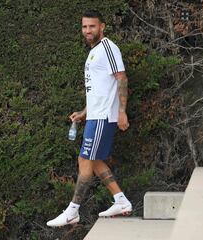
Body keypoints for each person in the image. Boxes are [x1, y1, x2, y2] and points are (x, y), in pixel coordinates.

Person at [46, 10, 132, 227]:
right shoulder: (94, 52)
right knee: (93, 160)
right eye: (84, 27)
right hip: (95, 116)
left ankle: (73, 211)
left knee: (85, 159)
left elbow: (121, 79)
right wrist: (85, 112)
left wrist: (122, 111)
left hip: (104, 117)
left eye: (92, 26)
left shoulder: (108, 48)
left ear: (102, 26)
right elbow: (99, 89)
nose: (87, 31)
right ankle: (121, 201)